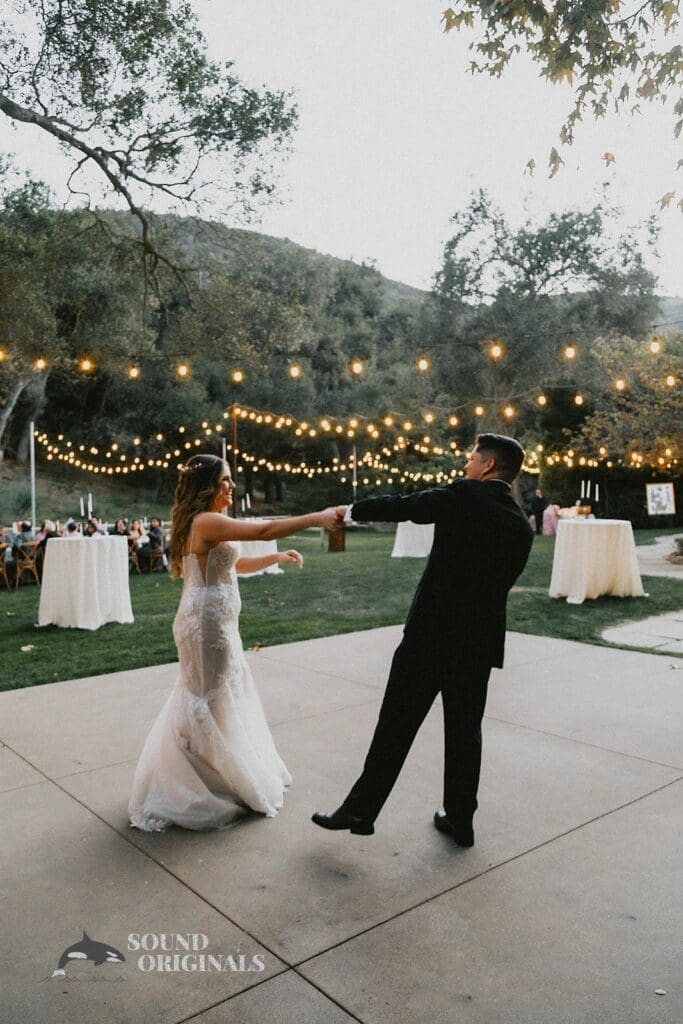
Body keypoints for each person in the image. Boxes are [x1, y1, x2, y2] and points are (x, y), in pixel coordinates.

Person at [312, 433, 534, 848]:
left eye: (472, 459)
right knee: (466, 733)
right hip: (478, 646)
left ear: (487, 466)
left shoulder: (465, 495)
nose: (467, 465)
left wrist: (351, 509)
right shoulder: (520, 525)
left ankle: (360, 810)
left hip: (430, 638)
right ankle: (461, 820)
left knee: (396, 723)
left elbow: (408, 506)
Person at [128, 453, 341, 832]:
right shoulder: (207, 521)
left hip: (219, 623)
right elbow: (262, 529)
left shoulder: (211, 524)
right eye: (224, 480)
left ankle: (222, 773)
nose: (231, 486)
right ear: (207, 485)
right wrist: (316, 518)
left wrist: (276, 557)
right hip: (205, 626)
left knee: (220, 694)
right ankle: (203, 783)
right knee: (207, 697)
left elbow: (234, 565)